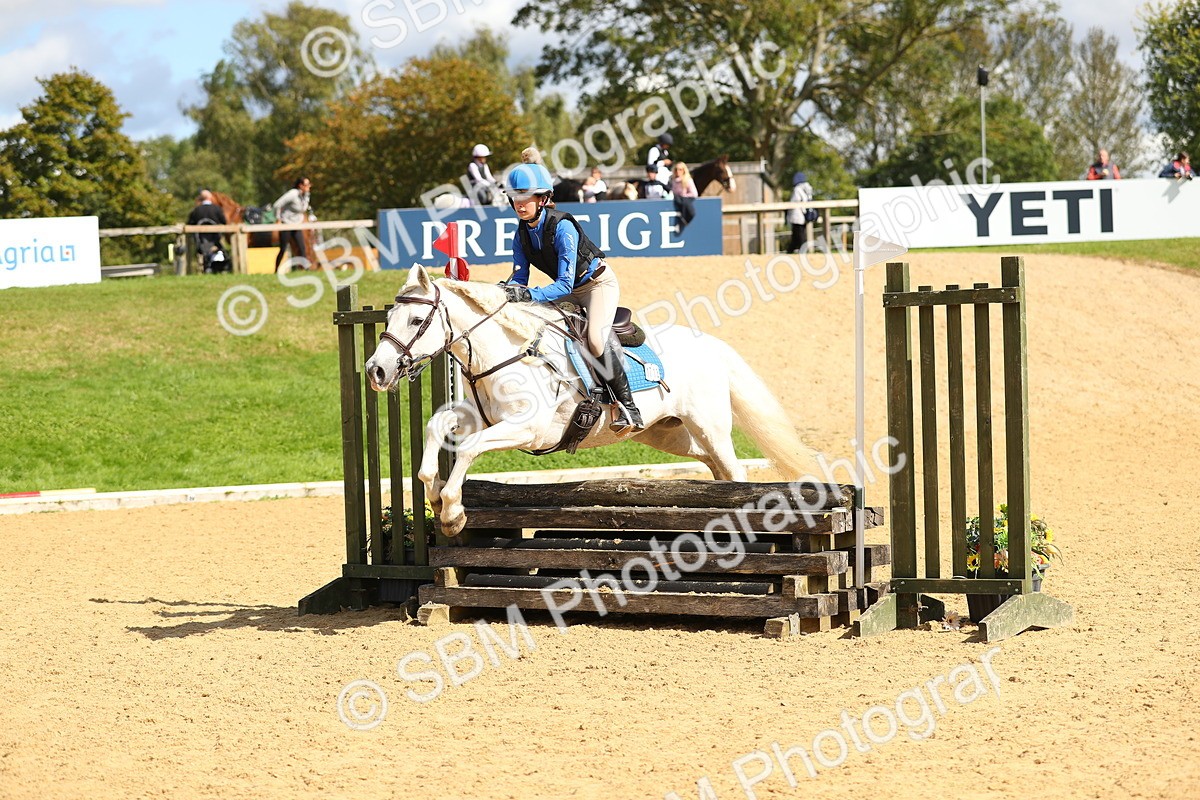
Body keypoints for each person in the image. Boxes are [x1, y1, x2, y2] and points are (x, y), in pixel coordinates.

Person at [501, 163, 643, 432]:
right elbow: (520, 278)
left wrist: (528, 294)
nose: (520, 205)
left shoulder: (563, 227)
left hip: (596, 285)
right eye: (515, 199)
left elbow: (565, 284)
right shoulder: (520, 235)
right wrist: (508, 293)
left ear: (542, 199)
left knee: (596, 340)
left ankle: (628, 406)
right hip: (567, 289)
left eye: (526, 198)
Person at [272, 177, 311, 273]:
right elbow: (277, 204)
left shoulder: (304, 196)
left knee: (301, 247)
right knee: (283, 248)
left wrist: (307, 195)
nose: (309, 187)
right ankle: (276, 270)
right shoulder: (292, 194)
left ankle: (306, 270)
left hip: (296, 225)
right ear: (300, 186)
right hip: (287, 224)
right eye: (306, 185)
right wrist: (278, 218)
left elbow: (303, 208)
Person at [185, 189, 229, 273]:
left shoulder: (196, 210)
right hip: (215, 240)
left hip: (201, 241)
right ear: (210, 197)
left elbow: (189, 224)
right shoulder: (217, 209)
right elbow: (224, 221)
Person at [786, 171, 816, 254]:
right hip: (805, 215)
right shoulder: (808, 189)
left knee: (798, 235)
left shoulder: (797, 189)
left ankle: (801, 251)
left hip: (797, 215)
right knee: (798, 235)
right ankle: (791, 251)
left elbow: (794, 202)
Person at [669, 162, 698, 233]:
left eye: (680, 169)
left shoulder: (688, 180)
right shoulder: (673, 181)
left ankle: (685, 218)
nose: (678, 171)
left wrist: (683, 196)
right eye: (676, 169)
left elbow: (694, 194)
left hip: (685, 200)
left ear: (684, 170)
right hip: (676, 200)